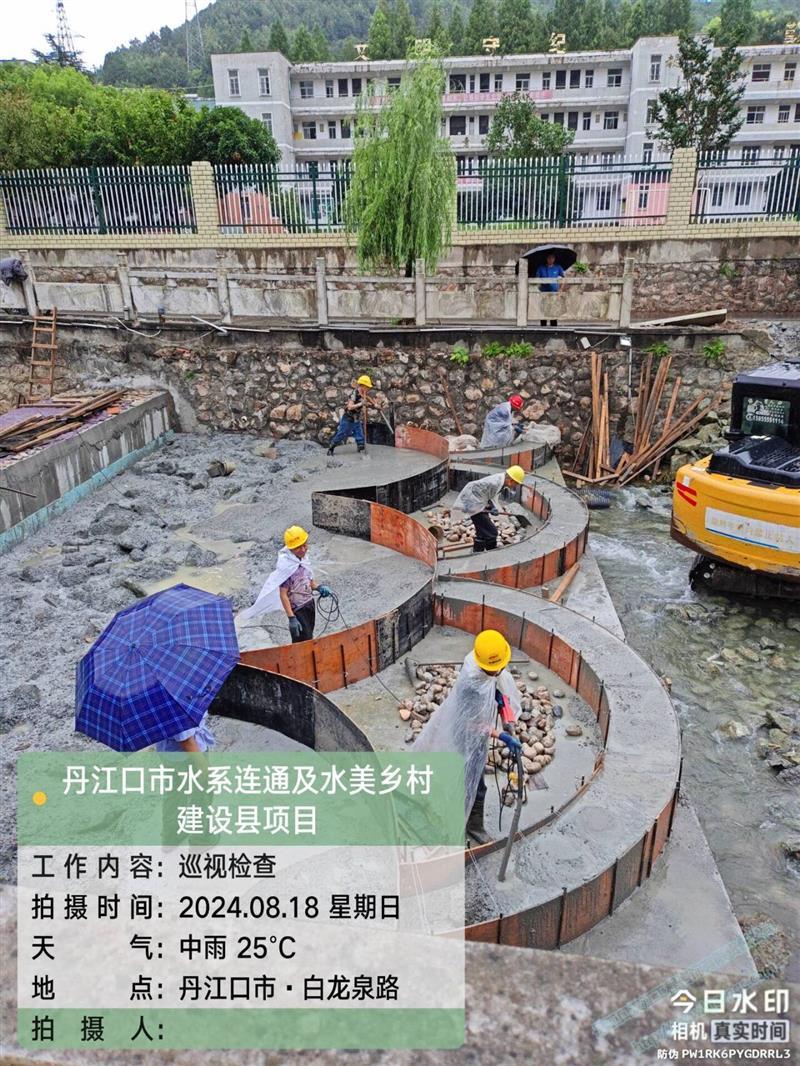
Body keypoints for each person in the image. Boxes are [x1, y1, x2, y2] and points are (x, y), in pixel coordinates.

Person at [412, 629, 522, 845]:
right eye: (498, 667)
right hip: (464, 737)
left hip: (476, 736)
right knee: (468, 784)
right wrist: (501, 735)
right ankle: (463, 827)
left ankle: (470, 823)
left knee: (473, 783)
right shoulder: (471, 686)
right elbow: (470, 724)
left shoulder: (479, 664)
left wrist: (501, 704)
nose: (501, 669)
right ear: (487, 667)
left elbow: (499, 687)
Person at [237, 525, 332, 643]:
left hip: (309, 604)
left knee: (309, 635)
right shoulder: (287, 567)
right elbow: (283, 594)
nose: (303, 549)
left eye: (304, 545)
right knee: (302, 640)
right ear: (290, 548)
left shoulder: (304, 561)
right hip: (298, 609)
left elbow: (310, 582)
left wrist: (319, 587)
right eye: (298, 547)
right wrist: (291, 617)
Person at [453, 465, 526, 553]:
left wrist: (492, 507)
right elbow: (480, 495)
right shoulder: (495, 483)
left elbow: (488, 495)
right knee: (492, 532)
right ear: (511, 480)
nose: (515, 486)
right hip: (473, 502)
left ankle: (477, 552)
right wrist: (491, 507)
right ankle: (491, 552)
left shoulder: (501, 481)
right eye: (516, 483)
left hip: (479, 501)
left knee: (482, 531)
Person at [327, 375, 373, 456]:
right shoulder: (354, 394)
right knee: (341, 434)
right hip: (348, 418)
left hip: (356, 418)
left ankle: (361, 449)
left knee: (359, 434)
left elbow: (368, 399)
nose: (368, 389)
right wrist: (361, 404)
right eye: (367, 387)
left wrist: (374, 404)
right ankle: (331, 448)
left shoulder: (364, 393)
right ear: (362, 386)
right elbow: (350, 407)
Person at [535, 252, 565, 327]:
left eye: (552, 258)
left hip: (554, 293)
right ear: (546, 258)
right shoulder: (541, 268)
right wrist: (538, 288)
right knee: (543, 312)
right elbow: (537, 280)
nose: (551, 259)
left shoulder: (558, 267)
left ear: (554, 259)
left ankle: (554, 329)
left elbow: (563, 278)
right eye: (549, 258)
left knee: (553, 312)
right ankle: (543, 328)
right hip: (544, 293)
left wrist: (560, 290)